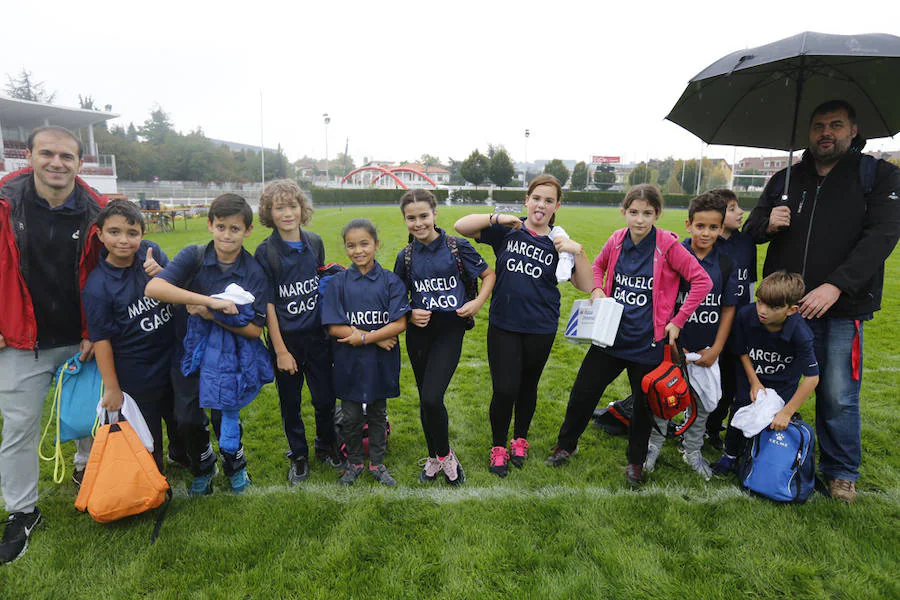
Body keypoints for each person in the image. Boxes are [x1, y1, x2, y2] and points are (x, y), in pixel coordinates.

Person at [743, 99, 900, 503]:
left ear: (852, 130)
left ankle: (841, 471)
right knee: (774, 384)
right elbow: (751, 228)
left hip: (841, 308)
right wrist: (767, 222)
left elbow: (881, 237)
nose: (825, 133)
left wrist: (836, 286)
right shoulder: (784, 178)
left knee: (837, 394)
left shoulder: (877, 175)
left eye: (835, 125)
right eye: (817, 126)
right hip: (783, 309)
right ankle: (765, 455)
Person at [544, 184, 712, 488]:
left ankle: (635, 463)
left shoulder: (668, 246)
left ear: (657, 214)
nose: (639, 219)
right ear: (624, 213)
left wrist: (677, 320)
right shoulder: (617, 240)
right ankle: (567, 445)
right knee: (583, 393)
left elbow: (702, 281)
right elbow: (598, 265)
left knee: (643, 409)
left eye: (647, 213)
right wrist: (597, 286)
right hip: (610, 337)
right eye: (634, 212)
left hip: (647, 343)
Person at [0, 126, 107, 564]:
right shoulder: (4, 203)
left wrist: (95, 331)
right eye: (47, 153)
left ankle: (86, 470)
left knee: (90, 415)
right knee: (19, 428)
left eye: (66, 156)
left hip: (83, 337)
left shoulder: (98, 210)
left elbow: (116, 266)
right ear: (28, 155)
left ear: (80, 162)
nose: (56, 163)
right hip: (22, 339)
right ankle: (22, 511)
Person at [454, 174, 593, 478]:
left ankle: (520, 439)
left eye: (548, 200)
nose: (541, 205)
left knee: (528, 386)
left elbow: (586, 284)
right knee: (504, 389)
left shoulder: (558, 241)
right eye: (536, 198)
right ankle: (498, 446)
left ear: (557, 205)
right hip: (504, 323)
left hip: (541, 326)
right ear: (527, 200)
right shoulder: (509, 230)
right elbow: (461, 226)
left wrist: (576, 249)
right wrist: (499, 218)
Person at [145, 194, 269, 495]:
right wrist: (208, 301)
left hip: (230, 357)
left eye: (235, 229)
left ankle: (235, 467)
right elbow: (154, 287)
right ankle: (203, 464)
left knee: (224, 415)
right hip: (188, 352)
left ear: (248, 231)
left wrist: (211, 315)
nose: (227, 235)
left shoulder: (253, 271)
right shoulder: (194, 255)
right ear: (210, 225)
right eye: (221, 226)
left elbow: (254, 330)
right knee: (186, 418)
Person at [393, 189, 496, 485]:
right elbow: (397, 296)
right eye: (411, 218)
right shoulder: (406, 255)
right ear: (405, 220)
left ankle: (446, 454)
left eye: (423, 216)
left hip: (449, 329)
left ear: (435, 214)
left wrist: (476, 304)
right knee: (427, 403)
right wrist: (411, 311)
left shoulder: (456, 246)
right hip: (419, 332)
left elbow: (489, 276)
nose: (418, 223)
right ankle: (435, 458)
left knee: (431, 396)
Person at [80, 200, 186, 472]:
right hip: (137, 370)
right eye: (114, 232)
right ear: (100, 234)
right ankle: (155, 470)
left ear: (142, 233)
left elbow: (183, 291)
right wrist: (112, 387)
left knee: (181, 417)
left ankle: (182, 452)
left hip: (172, 357)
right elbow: (101, 339)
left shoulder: (152, 254)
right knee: (147, 434)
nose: (124, 240)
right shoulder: (97, 286)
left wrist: (163, 275)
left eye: (132, 233)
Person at [644, 192, 739, 480]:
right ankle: (652, 448)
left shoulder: (726, 262)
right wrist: (669, 345)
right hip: (673, 347)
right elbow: (661, 300)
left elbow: (728, 309)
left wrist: (717, 349)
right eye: (700, 226)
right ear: (689, 225)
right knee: (665, 399)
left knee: (705, 403)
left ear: (721, 228)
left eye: (713, 227)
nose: (706, 233)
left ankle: (692, 449)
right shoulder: (675, 253)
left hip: (706, 349)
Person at [254, 180, 341, 485]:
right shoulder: (265, 252)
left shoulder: (314, 242)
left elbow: (320, 284)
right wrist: (280, 350)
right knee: (290, 403)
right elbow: (267, 305)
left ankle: (326, 446)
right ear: (269, 212)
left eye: (293, 206)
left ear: (303, 209)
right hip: (287, 341)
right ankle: (298, 455)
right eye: (280, 208)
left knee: (325, 399)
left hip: (317, 338)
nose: (288, 213)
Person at [320, 219, 409, 486]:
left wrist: (364, 338)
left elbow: (400, 324)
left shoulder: (390, 281)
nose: (358, 250)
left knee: (377, 413)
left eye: (364, 244)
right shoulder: (338, 283)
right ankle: (354, 462)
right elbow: (334, 326)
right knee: (350, 416)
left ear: (376, 245)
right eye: (351, 245)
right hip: (349, 362)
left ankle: (377, 463)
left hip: (381, 363)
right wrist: (373, 339)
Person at [711, 271, 820, 475]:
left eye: (773, 307)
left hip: (782, 385)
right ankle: (730, 455)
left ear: (792, 309)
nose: (763, 310)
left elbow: (812, 377)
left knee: (772, 422)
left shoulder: (801, 333)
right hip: (751, 377)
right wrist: (754, 382)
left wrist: (786, 412)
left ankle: (760, 457)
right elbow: (741, 350)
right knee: (740, 410)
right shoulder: (746, 315)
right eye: (760, 302)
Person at [705, 189, 757, 449]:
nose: (740, 213)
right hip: (709, 323)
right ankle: (692, 424)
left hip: (739, 323)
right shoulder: (705, 241)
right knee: (704, 380)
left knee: (731, 381)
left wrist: (751, 316)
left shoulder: (746, 242)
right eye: (733, 208)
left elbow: (749, 283)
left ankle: (714, 428)